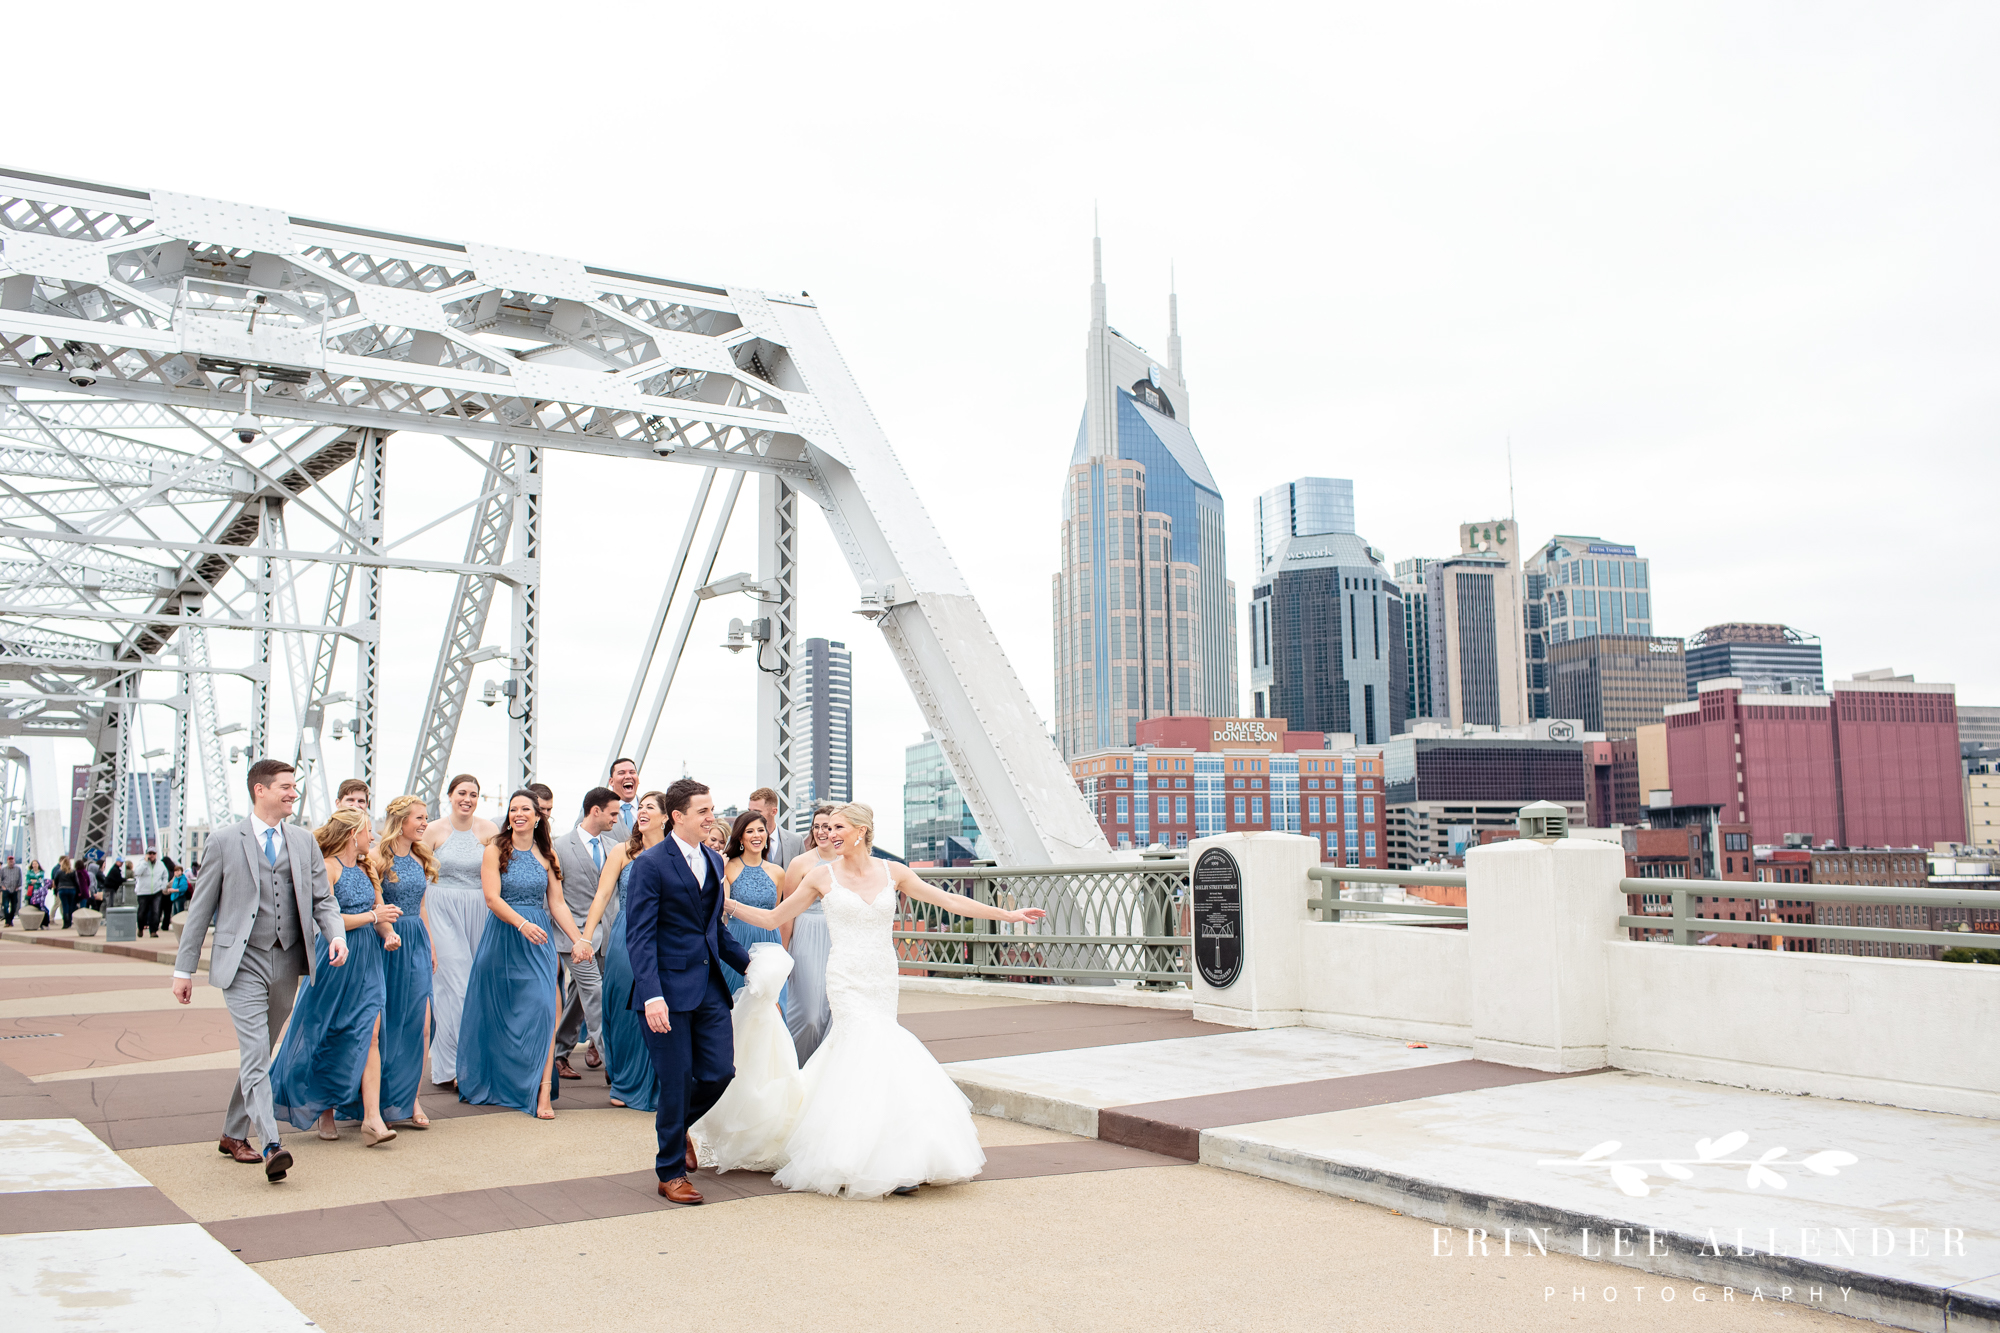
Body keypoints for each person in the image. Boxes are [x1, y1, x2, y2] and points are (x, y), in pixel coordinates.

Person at [724, 802, 1045, 1198]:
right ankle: (857, 1156)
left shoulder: (894, 872)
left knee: (879, 1052)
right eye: (828, 828)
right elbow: (774, 919)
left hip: (881, 976)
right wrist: (726, 905)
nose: (829, 834)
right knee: (863, 1050)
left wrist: (1007, 916)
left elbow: (948, 902)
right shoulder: (821, 877)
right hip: (845, 978)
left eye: (839, 827)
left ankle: (896, 1154)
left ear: (861, 831)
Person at [169, 759, 349, 1183]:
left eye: (294, 786)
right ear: (260, 790)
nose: (293, 793)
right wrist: (183, 969)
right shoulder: (224, 841)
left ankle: (232, 1133)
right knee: (254, 1053)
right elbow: (200, 910)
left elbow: (323, 900)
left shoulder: (303, 842)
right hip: (242, 962)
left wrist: (335, 934)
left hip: (288, 959)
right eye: (285, 786)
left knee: (260, 1055)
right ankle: (271, 1143)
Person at [623, 778, 752, 1205]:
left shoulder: (715, 862)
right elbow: (639, 936)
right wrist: (652, 994)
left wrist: (751, 966)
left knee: (720, 1072)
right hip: (665, 990)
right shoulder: (650, 864)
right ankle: (671, 1172)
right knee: (675, 1080)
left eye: (711, 809)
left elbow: (713, 928)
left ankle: (677, 1127)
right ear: (677, 817)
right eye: (703, 811)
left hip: (710, 985)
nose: (711, 817)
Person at [270, 809, 398, 1147]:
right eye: (369, 832)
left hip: (368, 957)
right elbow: (325, 916)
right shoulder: (327, 867)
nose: (373, 838)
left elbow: (380, 910)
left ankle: (373, 1119)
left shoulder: (368, 867)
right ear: (352, 834)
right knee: (328, 1032)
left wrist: (386, 932)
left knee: (370, 1034)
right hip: (335, 956)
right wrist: (373, 917)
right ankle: (323, 1108)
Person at [457, 790, 576, 1119]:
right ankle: (501, 1082)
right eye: (513, 809)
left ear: (538, 816)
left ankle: (542, 1092)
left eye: (525, 809)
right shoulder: (495, 848)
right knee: (497, 1014)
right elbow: (492, 899)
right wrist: (521, 924)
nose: (518, 814)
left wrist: (579, 939)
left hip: (538, 941)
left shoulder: (546, 852)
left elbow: (557, 903)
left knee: (542, 1011)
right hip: (503, 936)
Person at [580, 791, 665, 1112]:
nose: (641, 811)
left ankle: (659, 1082)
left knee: (659, 1006)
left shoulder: (677, 853)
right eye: (640, 807)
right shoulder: (622, 851)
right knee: (622, 1006)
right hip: (626, 934)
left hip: (666, 935)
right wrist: (586, 939)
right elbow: (601, 897)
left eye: (649, 808)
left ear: (667, 816)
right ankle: (625, 1082)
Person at [422, 773, 499, 1086]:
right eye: (462, 793)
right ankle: (454, 1067)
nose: (467, 799)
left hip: (479, 910)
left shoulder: (489, 829)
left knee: (476, 987)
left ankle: (460, 1063)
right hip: (442, 909)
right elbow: (419, 873)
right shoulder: (433, 830)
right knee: (455, 987)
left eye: (473, 794)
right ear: (449, 795)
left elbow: (500, 867)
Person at [368, 795, 436, 1130]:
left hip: (417, 939)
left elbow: (421, 906)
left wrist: (432, 945)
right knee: (385, 1025)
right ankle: (375, 1101)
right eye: (419, 818)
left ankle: (412, 1097)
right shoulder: (377, 856)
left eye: (426, 818)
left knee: (420, 1024)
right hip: (387, 943)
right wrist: (388, 933)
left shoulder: (422, 856)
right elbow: (376, 904)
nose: (425, 823)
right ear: (401, 820)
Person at [551, 787, 621, 1081]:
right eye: (613, 813)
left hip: (609, 936)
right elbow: (553, 899)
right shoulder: (559, 847)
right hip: (574, 938)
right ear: (596, 811)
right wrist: (575, 937)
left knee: (579, 997)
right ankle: (615, 1067)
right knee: (595, 994)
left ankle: (558, 1053)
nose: (617, 819)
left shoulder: (615, 845)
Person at [777, 804, 839, 1061]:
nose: (822, 831)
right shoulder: (800, 863)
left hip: (838, 939)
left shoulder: (848, 861)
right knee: (810, 1013)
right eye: (817, 827)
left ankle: (827, 1069)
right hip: (806, 936)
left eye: (827, 826)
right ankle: (797, 1064)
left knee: (836, 1010)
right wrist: (783, 952)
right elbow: (786, 911)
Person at [720, 812, 784, 1000]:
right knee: (737, 1001)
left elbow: (777, 912)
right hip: (738, 941)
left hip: (770, 942)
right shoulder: (728, 867)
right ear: (740, 837)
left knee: (770, 1002)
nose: (756, 835)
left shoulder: (778, 872)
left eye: (760, 830)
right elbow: (722, 911)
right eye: (750, 831)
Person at [747, 788, 804, 868]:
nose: (751, 816)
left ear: (774, 812)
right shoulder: (740, 839)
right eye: (749, 811)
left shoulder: (796, 841)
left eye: (757, 812)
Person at [133, 849, 169, 938]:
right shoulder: (142, 863)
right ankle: (140, 928)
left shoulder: (160, 865)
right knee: (142, 912)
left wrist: (163, 886)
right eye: (150, 853)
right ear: (146, 855)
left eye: (153, 853)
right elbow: (137, 872)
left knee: (155, 911)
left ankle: (153, 931)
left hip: (156, 891)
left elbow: (165, 875)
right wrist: (145, 862)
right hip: (143, 892)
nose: (152, 855)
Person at [607, 758, 640, 842]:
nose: (628, 776)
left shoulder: (654, 808)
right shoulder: (599, 808)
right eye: (621, 773)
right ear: (611, 781)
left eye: (632, 772)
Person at [50, 855, 80, 929]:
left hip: (62, 890)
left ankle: (65, 923)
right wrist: (78, 891)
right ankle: (69, 922)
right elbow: (76, 882)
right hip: (71, 890)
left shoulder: (59, 872)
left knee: (65, 905)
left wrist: (56, 890)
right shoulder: (73, 871)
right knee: (70, 906)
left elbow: (56, 881)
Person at [24, 859, 45, 927]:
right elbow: (27, 881)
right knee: (30, 906)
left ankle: (40, 922)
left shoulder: (41, 872)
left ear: (38, 865)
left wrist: (33, 880)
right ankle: (30, 922)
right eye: (33, 864)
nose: (34, 865)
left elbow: (41, 881)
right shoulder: (29, 872)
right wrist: (36, 880)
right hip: (31, 891)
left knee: (39, 906)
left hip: (38, 892)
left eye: (36, 864)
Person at [1, 855, 20, 928]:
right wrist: (3, 886)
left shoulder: (17, 869)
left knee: (14, 906)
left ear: (14, 861)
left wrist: (18, 886)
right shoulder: (3, 870)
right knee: (5, 906)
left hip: (14, 890)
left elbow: (20, 879)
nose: (11, 862)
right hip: (6, 889)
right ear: (7, 861)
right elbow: (1, 879)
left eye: (12, 861)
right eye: (9, 861)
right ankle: (7, 922)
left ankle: (10, 919)